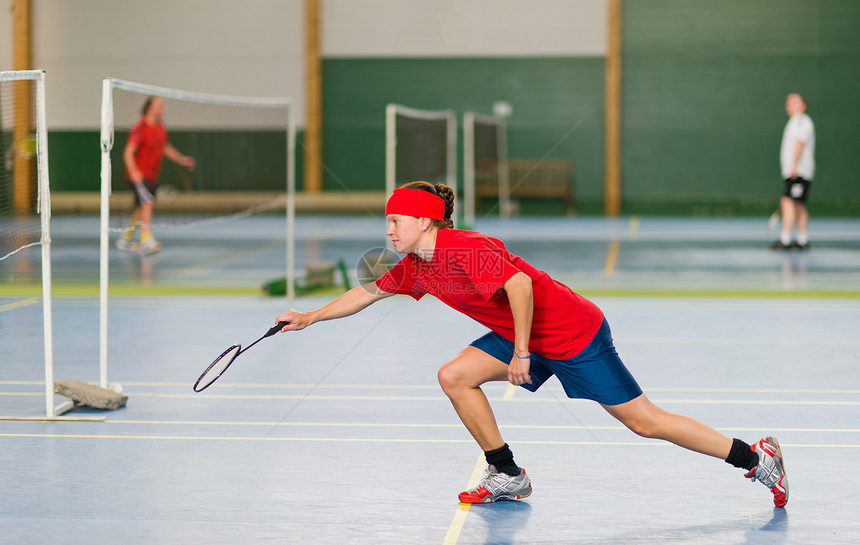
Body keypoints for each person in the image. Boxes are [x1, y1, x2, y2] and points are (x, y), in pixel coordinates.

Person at [276, 181, 789, 507]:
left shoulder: (466, 248)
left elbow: (519, 286)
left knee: (643, 422)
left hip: (571, 333)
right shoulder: (417, 266)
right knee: (454, 376)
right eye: (387, 221)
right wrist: (309, 316)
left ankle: (755, 458)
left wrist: (522, 352)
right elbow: (366, 292)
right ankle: (507, 474)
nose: (388, 229)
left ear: (425, 221)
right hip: (518, 335)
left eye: (395, 221)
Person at [118, 96, 196, 254]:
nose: (162, 108)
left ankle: (125, 239)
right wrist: (134, 172)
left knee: (140, 209)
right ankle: (146, 240)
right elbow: (128, 152)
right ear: (149, 108)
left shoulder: (160, 127)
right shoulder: (140, 128)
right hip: (140, 175)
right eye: (158, 105)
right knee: (148, 203)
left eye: (163, 105)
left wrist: (181, 159)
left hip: (153, 175)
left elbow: (165, 147)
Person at [769, 93, 815, 250]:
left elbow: (800, 143)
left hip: (798, 172)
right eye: (788, 102)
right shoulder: (794, 122)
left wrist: (794, 167)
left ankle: (786, 239)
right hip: (795, 171)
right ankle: (802, 240)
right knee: (798, 204)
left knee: (788, 202)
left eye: (794, 101)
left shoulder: (802, 121)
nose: (789, 104)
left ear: (803, 105)